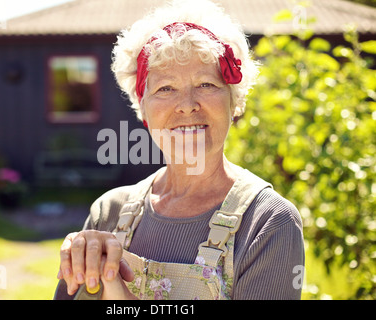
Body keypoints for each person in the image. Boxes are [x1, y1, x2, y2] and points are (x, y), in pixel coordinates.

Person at [54, 0, 304, 300]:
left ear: (233, 102)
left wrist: (119, 294)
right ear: (143, 109)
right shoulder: (109, 212)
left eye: (206, 84)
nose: (187, 105)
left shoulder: (268, 222)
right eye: (165, 89)